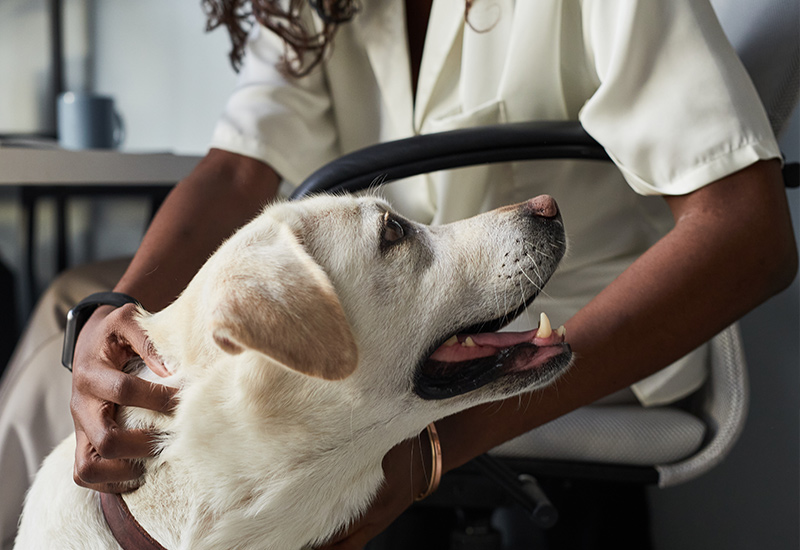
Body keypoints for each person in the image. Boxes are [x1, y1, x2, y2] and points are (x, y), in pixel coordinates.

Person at [0, 0, 796, 548]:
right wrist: (112, 321)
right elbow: (240, 170)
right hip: (388, 314)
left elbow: (749, 236)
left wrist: (432, 452)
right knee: (72, 307)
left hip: (554, 319)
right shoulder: (324, 5)